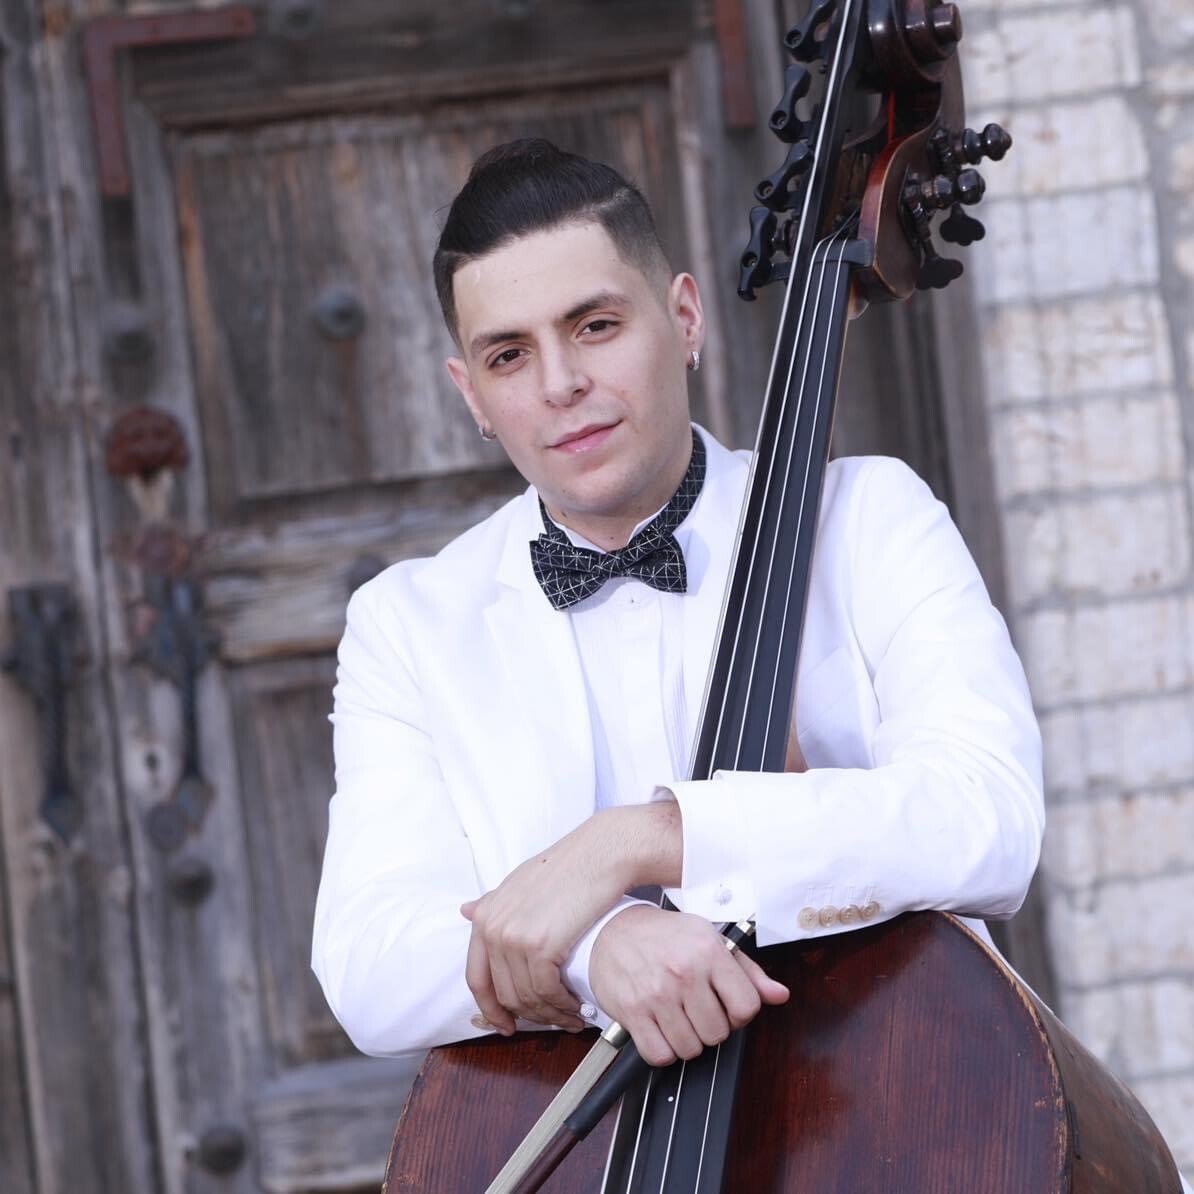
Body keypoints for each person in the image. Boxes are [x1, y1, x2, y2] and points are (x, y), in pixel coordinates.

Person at [310, 137, 1045, 1070]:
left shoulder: (867, 521)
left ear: (684, 317)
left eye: (595, 325)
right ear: (473, 396)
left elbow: (989, 821)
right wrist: (593, 949)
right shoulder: (406, 627)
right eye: (508, 355)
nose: (559, 384)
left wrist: (643, 841)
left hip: (898, 1103)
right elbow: (368, 960)